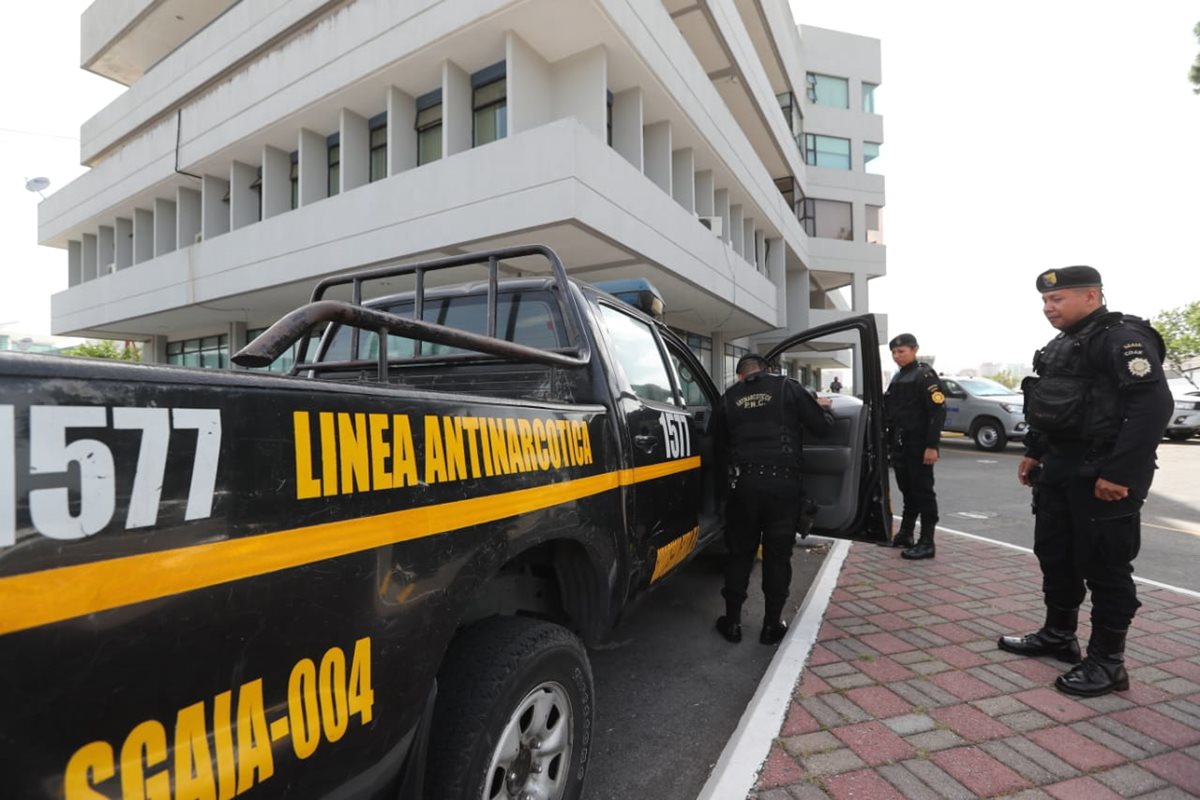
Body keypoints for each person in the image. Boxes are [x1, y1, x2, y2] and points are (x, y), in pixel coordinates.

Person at [998, 266, 1173, 697]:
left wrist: (1120, 473)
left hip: (1102, 470)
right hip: (1058, 469)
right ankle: (1059, 635)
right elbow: (1048, 401)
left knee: (1105, 566)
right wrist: (1034, 450)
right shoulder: (1060, 345)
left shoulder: (1122, 339)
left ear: (1092, 297)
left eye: (1057, 300)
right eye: (1044, 301)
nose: (1048, 308)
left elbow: (1152, 407)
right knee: (1055, 554)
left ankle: (1108, 663)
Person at [710, 354, 834, 645]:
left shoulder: (729, 398)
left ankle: (732, 623)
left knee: (740, 554)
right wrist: (822, 409)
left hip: (744, 486)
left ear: (741, 376)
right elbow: (823, 428)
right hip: (783, 487)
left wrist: (722, 496)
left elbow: (716, 446)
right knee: (778, 556)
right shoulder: (787, 388)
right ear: (768, 371)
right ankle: (771, 626)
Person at [883, 333, 945, 559]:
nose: (897, 356)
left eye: (901, 351)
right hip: (901, 443)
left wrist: (932, 445)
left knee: (923, 492)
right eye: (894, 353)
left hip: (919, 444)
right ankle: (906, 533)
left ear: (914, 349)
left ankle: (927, 542)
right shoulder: (899, 377)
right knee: (907, 490)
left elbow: (937, 411)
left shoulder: (924, 375)